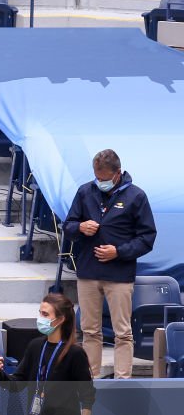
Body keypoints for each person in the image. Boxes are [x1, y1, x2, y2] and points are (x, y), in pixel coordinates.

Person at [64, 149, 156, 379]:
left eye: (104, 179)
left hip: (119, 275)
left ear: (117, 173)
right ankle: (90, 380)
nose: (100, 182)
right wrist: (80, 227)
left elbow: (147, 238)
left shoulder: (136, 196)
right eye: (97, 177)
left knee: (123, 333)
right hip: (88, 273)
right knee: (89, 331)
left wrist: (119, 252)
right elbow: (68, 226)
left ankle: (122, 380)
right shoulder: (85, 192)